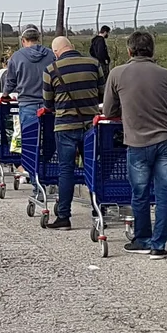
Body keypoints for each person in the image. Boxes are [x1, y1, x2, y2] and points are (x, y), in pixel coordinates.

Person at [103, 30, 167, 259]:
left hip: (136, 142)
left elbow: (108, 111)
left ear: (129, 50)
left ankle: (142, 238)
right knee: (164, 193)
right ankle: (159, 244)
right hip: (165, 140)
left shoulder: (117, 74)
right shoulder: (166, 75)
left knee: (140, 192)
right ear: (152, 50)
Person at [39, 36, 107, 229]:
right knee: (93, 168)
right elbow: (102, 93)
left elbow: (48, 103)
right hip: (91, 126)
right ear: (72, 47)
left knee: (66, 170)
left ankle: (64, 217)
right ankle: (98, 211)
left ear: (56, 52)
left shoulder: (51, 69)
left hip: (65, 126)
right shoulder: (93, 64)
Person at [4, 25, 54, 135]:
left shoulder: (16, 57)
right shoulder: (51, 55)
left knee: (29, 141)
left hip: (27, 103)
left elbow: (11, 81)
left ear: (23, 40)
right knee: (49, 139)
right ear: (38, 39)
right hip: (48, 104)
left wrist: (5, 94)